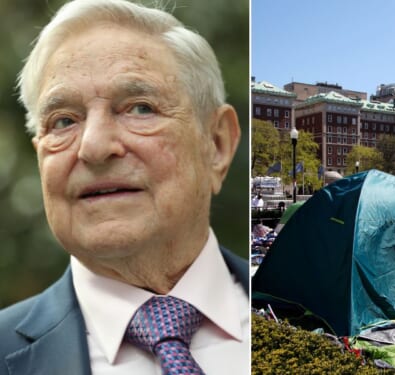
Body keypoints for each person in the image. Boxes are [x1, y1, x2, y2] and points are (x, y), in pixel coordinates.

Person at [0, 1, 246, 374]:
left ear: (216, 145)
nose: (94, 147)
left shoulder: (282, 310)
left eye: (139, 108)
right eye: (64, 120)